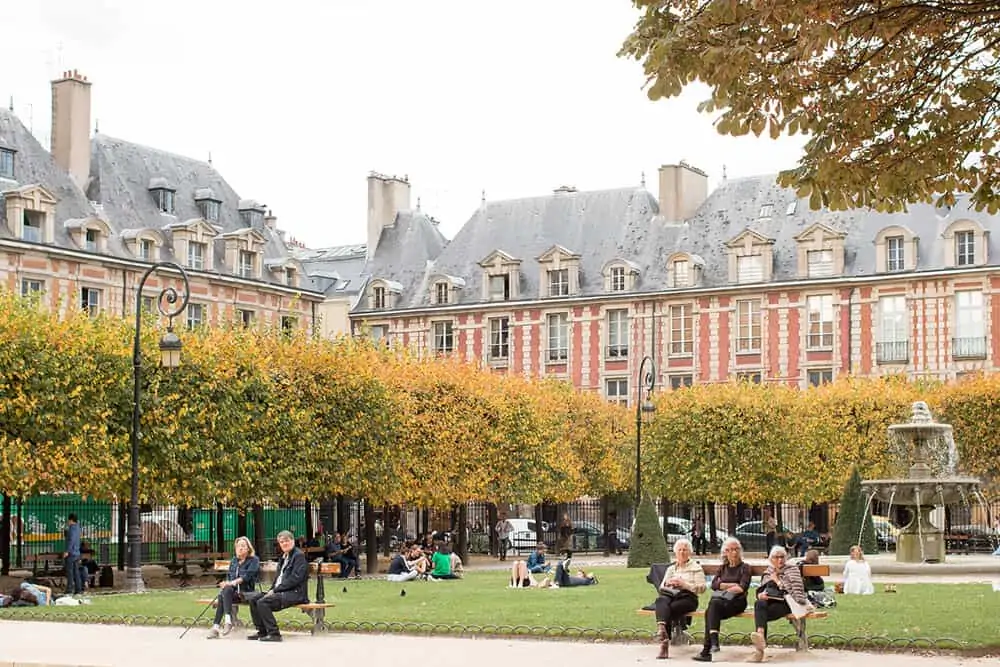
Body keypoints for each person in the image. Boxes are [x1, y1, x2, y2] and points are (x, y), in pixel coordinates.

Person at [692, 537, 751, 662]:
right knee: (711, 609)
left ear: (740, 551)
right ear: (725, 552)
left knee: (711, 609)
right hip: (722, 603)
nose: (734, 552)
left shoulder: (745, 567)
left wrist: (723, 585)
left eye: (736, 549)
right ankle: (712, 645)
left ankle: (708, 648)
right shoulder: (723, 568)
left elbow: (742, 587)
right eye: (730, 550)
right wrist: (732, 585)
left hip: (738, 602)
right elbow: (714, 585)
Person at [244, 530, 308, 642]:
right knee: (254, 599)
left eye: (287, 541)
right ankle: (262, 632)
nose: (284, 544)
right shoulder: (283, 557)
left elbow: (295, 579)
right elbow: (278, 579)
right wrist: (272, 590)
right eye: (281, 542)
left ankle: (274, 634)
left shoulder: (298, 556)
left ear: (293, 541)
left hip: (295, 593)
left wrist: (275, 590)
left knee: (263, 602)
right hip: (281, 591)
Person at [750, 545, 810, 663]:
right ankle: (760, 637)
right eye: (776, 557)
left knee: (760, 613)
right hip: (770, 603)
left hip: (787, 604)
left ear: (786, 557)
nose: (779, 560)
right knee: (759, 603)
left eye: (782, 557)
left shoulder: (792, 570)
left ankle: (759, 650)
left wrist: (777, 581)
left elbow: (796, 593)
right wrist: (760, 595)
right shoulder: (769, 571)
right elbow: (762, 589)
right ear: (771, 559)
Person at [653, 538, 706, 660]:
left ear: (690, 552)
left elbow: (702, 588)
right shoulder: (671, 569)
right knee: (660, 601)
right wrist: (669, 583)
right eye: (680, 550)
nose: (682, 552)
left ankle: (664, 643)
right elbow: (661, 586)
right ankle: (662, 629)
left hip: (688, 598)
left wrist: (684, 584)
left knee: (668, 609)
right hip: (671, 595)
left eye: (685, 550)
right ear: (676, 552)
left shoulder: (696, 567)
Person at [207, 536, 260, 639]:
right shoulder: (234, 561)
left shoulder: (254, 560)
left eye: (243, 546)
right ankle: (226, 622)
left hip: (246, 593)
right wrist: (226, 583)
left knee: (224, 594)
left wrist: (232, 583)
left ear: (248, 548)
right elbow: (229, 577)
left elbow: (247, 577)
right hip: (232, 594)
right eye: (238, 546)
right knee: (225, 591)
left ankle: (216, 627)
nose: (240, 548)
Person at [62, 513, 83, 596]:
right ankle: (78, 589)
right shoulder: (78, 528)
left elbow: (71, 540)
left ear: (70, 520)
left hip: (71, 553)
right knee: (76, 572)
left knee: (70, 572)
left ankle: (69, 589)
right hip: (77, 552)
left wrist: (67, 551)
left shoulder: (72, 528)